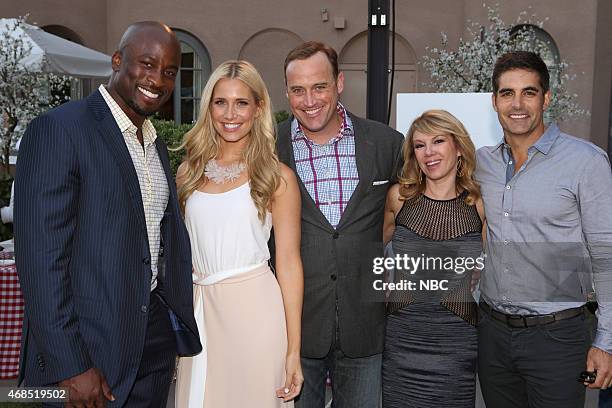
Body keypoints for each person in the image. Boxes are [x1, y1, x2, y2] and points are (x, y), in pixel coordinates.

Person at [14, 22, 201, 407]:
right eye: (147, 64)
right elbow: (40, 262)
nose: (157, 79)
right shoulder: (60, 130)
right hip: (86, 353)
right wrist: (70, 365)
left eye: (169, 71)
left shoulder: (155, 146)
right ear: (118, 61)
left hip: (150, 346)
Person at [476, 50, 612, 408]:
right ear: (494, 101)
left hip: (558, 336)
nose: (517, 104)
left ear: (546, 98)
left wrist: (605, 342)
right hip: (492, 334)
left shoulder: (586, 162)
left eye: (529, 92)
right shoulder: (482, 163)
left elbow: (606, 258)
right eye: (507, 93)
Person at [275, 41, 404, 408]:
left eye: (320, 87)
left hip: (366, 324)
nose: (309, 100)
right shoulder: (269, 148)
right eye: (298, 90)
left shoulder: (385, 143)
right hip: (293, 330)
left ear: (340, 83)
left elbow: (418, 207)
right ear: (287, 93)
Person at [174, 60, 304, 407]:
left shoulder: (277, 177)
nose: (230, 113)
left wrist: (293, 351)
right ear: (209, 108)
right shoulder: (188, 173)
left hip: (256, 315)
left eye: (241, 102)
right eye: (221, 102)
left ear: (258, 107)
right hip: (200, 312)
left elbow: (289, 264)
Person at [381, 109, 484, 407]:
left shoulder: (478, 204)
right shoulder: (398, 198)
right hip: (402, 340)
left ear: (459, 147)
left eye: (438, 141)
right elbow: (372, 249)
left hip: (456, 343)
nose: (429, 152)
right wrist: (386, 279)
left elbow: (498, 264)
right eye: (420, 145)